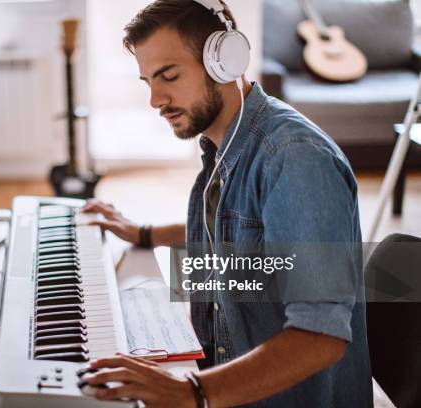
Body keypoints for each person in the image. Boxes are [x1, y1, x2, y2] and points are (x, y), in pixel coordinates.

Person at [80, 0, 373, 407]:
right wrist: (144, 233)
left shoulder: (294, 158)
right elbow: (246, 236)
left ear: (225, 61)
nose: (156, 99)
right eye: (148, 81)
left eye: (169, 76)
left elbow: (321, 338)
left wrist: (192, 391)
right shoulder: (227, 145)